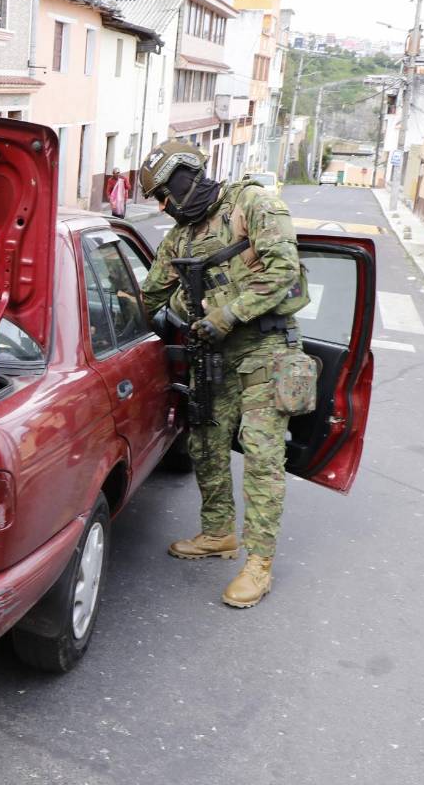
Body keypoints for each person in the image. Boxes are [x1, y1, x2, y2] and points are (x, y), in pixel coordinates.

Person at [134, 141, 311, 608]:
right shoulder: (180, 239)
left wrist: (227, 314)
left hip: (266, 352)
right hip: (211, 356)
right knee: (206, 445)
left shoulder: (253, 203)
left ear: (182, 180)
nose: (163, 208)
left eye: (163, 196)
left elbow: (283, 271)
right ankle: (217, 533)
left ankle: (259, 563)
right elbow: (147, 298)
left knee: (261, 455)